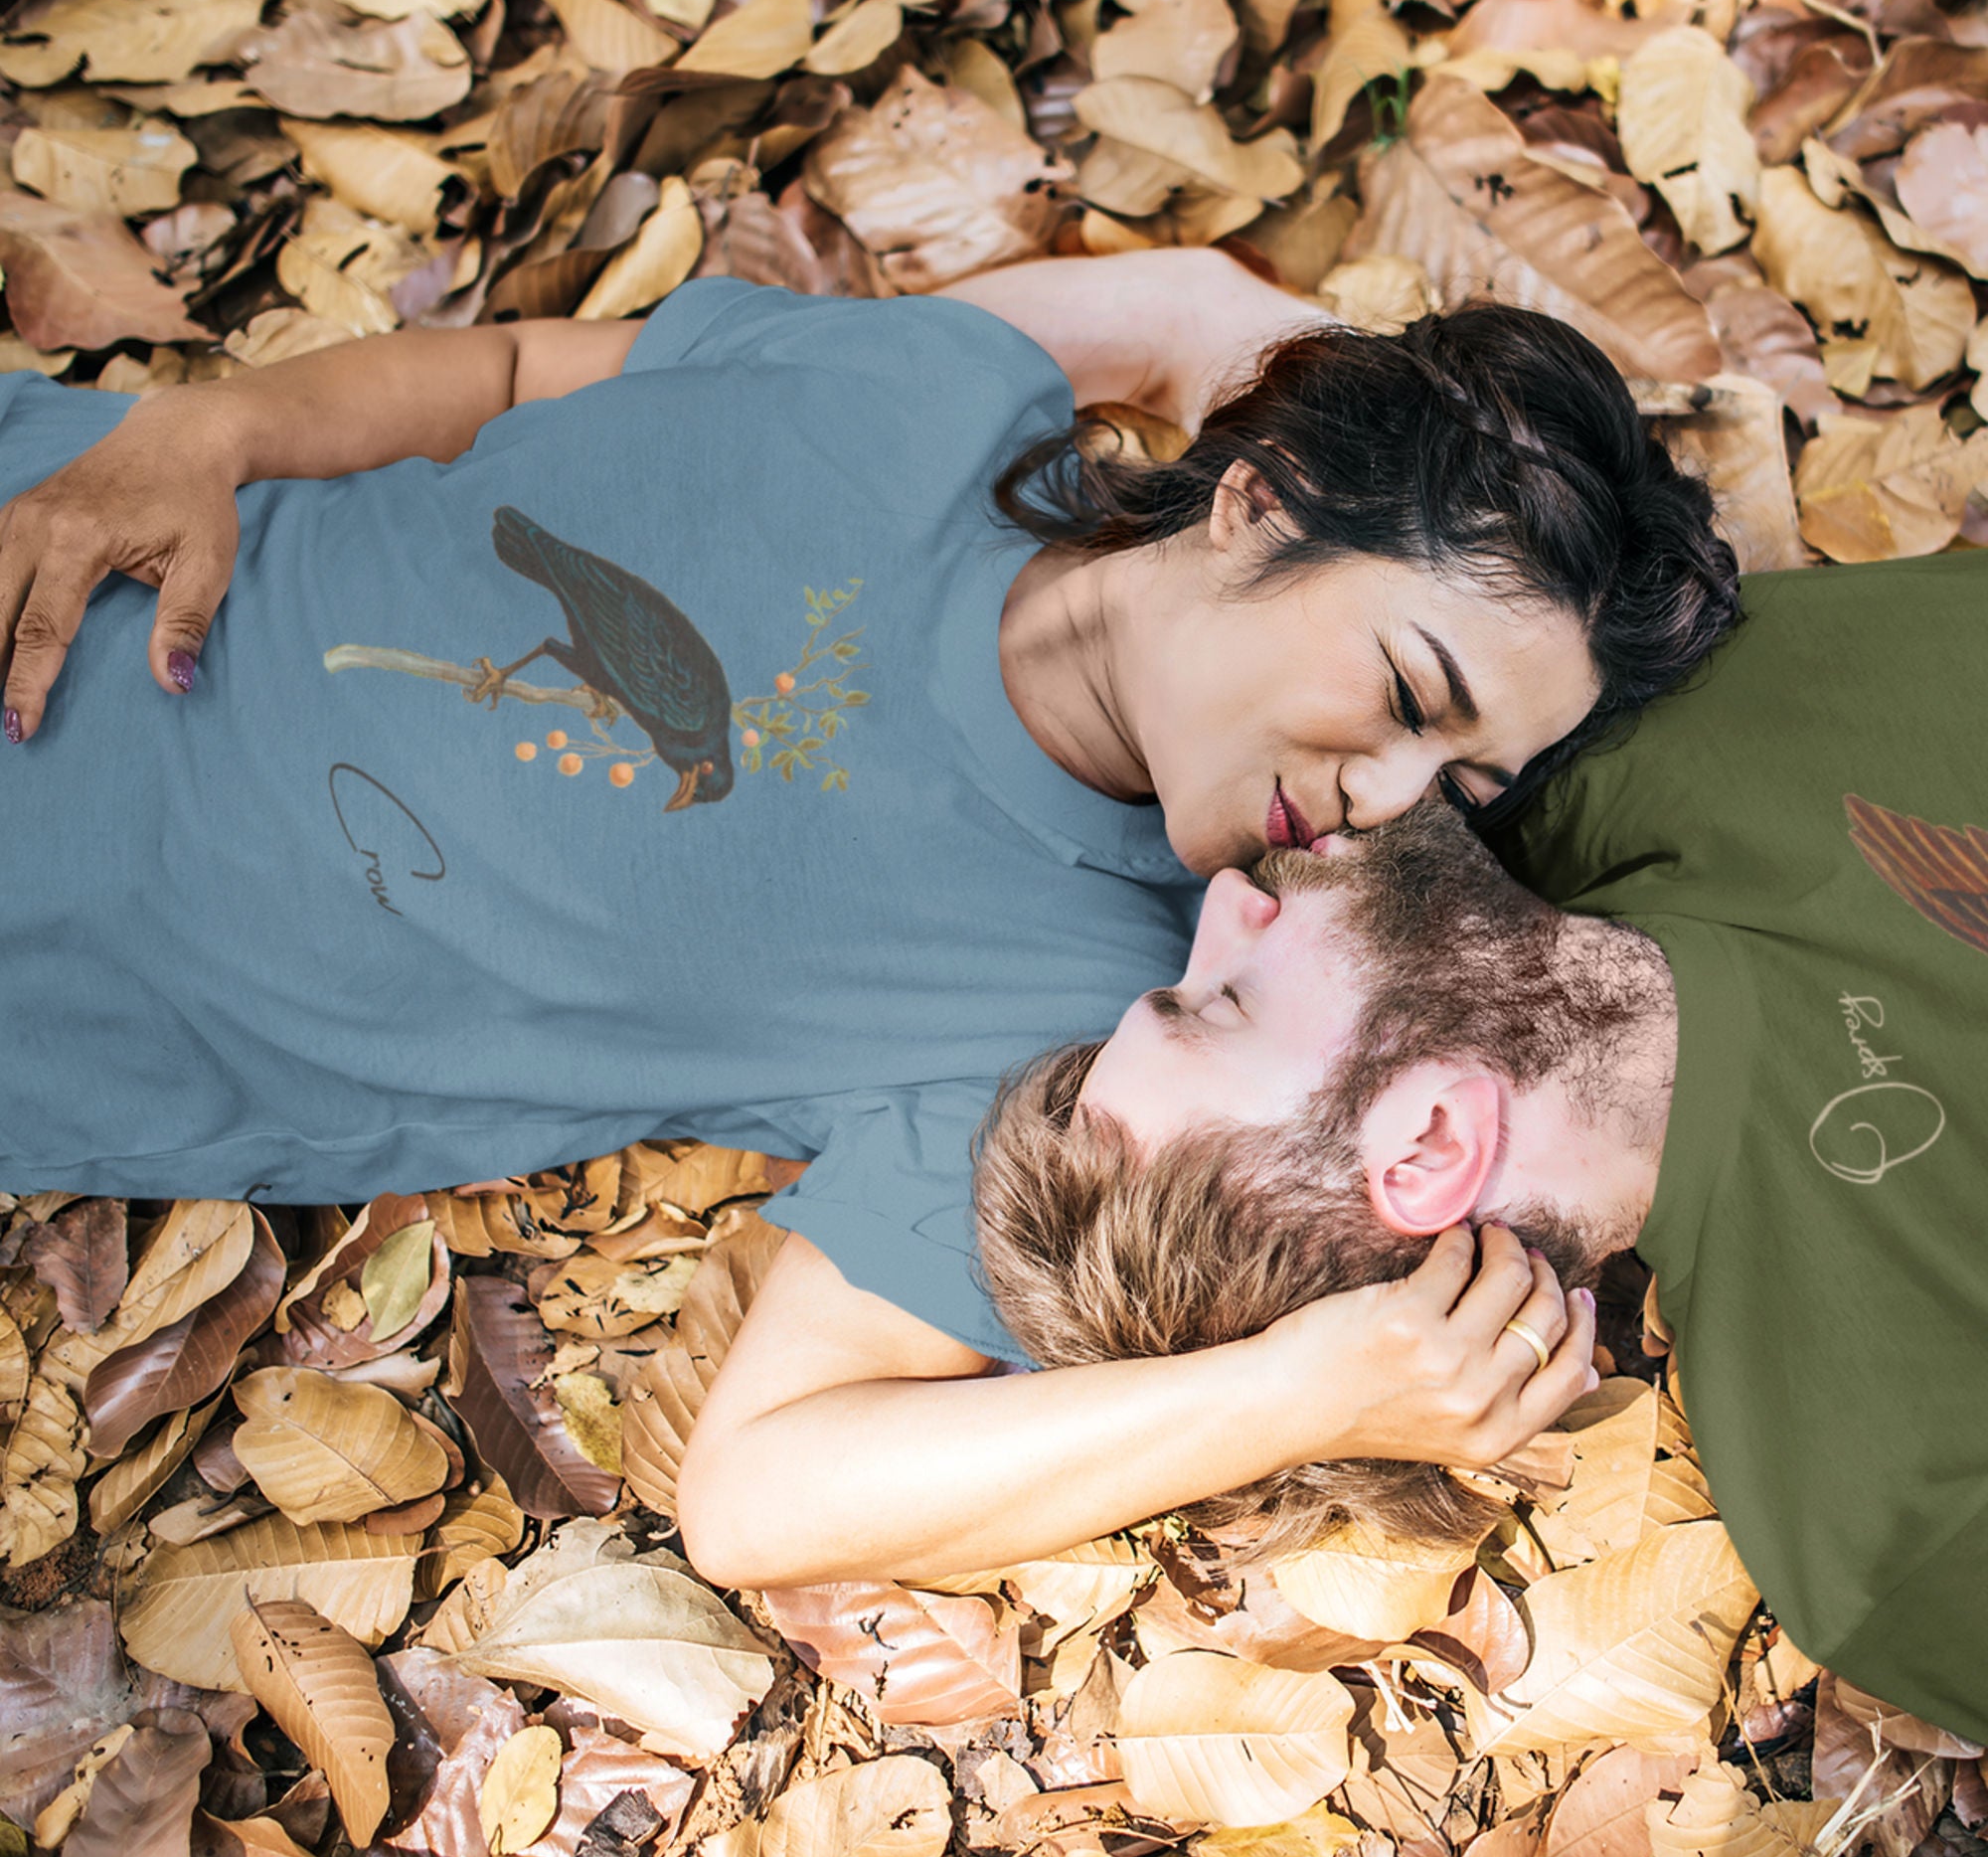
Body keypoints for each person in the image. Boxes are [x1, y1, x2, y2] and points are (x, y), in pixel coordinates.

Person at [1, 250, 1729, 1577]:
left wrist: (1300, 1394)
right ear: (1256, 507)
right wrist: (204, 427)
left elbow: (762, 1497)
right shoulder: (938, 390)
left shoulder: (1092, 1019)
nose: (1390, 802)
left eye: (1464, 786)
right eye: (1409, 690)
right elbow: (518, 372)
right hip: (56, 519)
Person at [973, 551, 1988, 1739]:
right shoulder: (1885, 1512)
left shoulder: (1611, 714)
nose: (1218, 901)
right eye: (1221, 1001)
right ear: (1427, 1145)